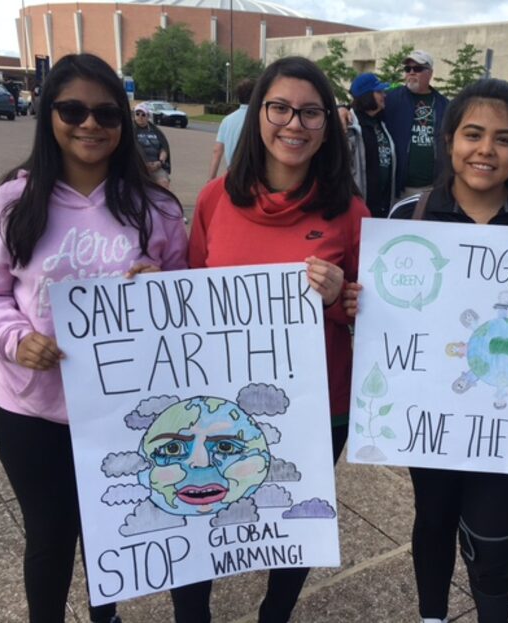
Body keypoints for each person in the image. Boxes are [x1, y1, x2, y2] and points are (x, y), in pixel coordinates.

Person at [0, 53, 188, 623]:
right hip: (30, 411)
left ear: (124, 121)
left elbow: (187, 302)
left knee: (106, 533)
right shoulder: (11, 204)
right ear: (48, 113)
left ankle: (103, 616)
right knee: (50, 538)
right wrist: (15, 339)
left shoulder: (155, 208)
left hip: (121, 412)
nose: (90, 124)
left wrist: (163, 288)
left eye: (106, 113)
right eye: (73, 110)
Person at [345, 77, 508, 623]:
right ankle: (432, 615)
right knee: (433, 519)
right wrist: (358, 309)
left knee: (495, 533)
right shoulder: (407, 217)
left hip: (506, 416)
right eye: (473, 134)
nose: (486, 150)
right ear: (449, 140)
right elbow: (384, 314)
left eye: (504, 139)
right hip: (431, 410)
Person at [180, 56, 369, 623]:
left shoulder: (350, 212)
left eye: (311, 112)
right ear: (257, 112)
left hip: (316, 407)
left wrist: (340, 296)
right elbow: (187, 300)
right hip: (218, 404)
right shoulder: (215, 200)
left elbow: (373, 319)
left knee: (294, 522)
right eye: (281, 107)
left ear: (327, 125)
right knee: (200, 511)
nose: (295, 123)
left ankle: (275, 614)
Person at [383, 50, 450, 199]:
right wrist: (343, 109)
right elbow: (362, 108)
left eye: (418, 69)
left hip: (432, 188)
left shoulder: (444, 105)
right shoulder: (391, 98)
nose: (411, 72)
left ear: (430, 73)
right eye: (408, 69)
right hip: (398, 187)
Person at [345, 72, 396, 217]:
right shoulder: (350, 125)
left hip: (382, 207)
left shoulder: (381, 122)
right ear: (366, 95)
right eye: (379, 92)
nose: (384, 95)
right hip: (357, 208)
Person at [208, 78, 255, 180]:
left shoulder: (227, 120)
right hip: (255, 178)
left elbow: (217, 151)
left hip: (233, 176)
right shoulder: (259, 119)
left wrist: (210, 180)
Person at [133, 101, 172, 188]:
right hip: (137, 166)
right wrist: (143, 163)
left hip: (156, 165)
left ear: (148, 116)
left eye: (143, 114)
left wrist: (160, 162)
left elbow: (164, 148)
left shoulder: (156, 131)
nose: (140, 117)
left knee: (163, 182)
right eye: (137, 114)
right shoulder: (130, 131)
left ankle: (160, 201)